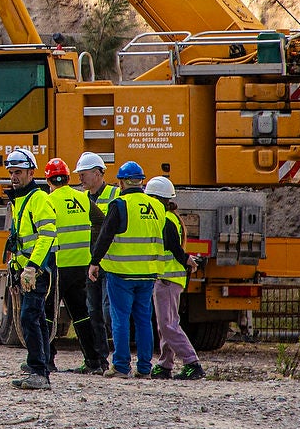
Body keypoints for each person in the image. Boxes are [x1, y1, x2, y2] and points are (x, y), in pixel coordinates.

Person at [88, 161, 164, 378]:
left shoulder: (119, 204)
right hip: (148, 272)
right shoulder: (157, 206)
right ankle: (145, 368)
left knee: (120, 318)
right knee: (143, 319)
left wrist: (95, 262)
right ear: (142, 181)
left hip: (121, 272)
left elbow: (105, 236)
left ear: (121, 182)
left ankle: (121, 366)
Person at [45, 157, 106, 374]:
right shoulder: (82, 198)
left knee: (48, 314)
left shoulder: (48, 200)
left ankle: (47, 359)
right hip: (81, 265)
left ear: (48, 179)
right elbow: (100, 221)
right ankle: (93, 360)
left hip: (59, 267)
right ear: (68, 178)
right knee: (81, 313)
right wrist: (91, 248)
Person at [4, 147, 56, 390]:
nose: (14, 177)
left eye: (19, 172)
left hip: (37, 271)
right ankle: (41, 366)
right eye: (11, 172)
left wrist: (33, 267)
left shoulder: (39, 199)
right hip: (26, 270)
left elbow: (47, 236)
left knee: (29, 317)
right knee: (38, 320)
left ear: (31, 172)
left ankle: (38, 371)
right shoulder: (20, 199)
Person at [144, 176, 204, 380]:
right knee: (168, 323)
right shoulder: (171, 217)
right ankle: (165, 364)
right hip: (171, 278)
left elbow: (173, 247)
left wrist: (187, 259)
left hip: (167, 279)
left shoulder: (166, 220)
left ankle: (191, 362)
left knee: (167, 325)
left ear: (155, 198)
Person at [75, 151, 116, 368]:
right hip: (89, 261)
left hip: (109, 262)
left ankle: (118, 359)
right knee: (93, 312)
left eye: (84, 174)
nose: (80, 178)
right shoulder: (81, 198)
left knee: (110, 312)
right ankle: (100, 359)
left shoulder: (115, 195)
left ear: (99, 173)